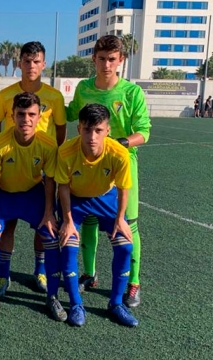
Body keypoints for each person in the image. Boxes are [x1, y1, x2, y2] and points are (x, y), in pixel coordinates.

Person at [66, 35, 151, 308]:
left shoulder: (131, 92)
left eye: (112, 59)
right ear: (94, 59)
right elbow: (69, 114)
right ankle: (90, 274)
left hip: (123, 164)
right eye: (101, 59)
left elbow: (144, 133)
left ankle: (134, 282)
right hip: (89, 164)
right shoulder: (83, 89)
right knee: (89, 220)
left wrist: (118, 144)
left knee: (128, 224)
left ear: (120, 60)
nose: (106, 65)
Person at [0, 41, 66, 295]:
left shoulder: (54, 96)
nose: (31, 66)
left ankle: (40, 270)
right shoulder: (5, 95)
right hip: (10, 169)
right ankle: (3, 274)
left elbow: (61, 132)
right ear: (20, 63)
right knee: (7, 226)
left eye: (36, 61)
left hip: (39, 171)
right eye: (27, 61)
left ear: (44, 64)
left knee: (44, 225)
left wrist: (51, 162)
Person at [54, 103, 138, 327]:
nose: (92, 136)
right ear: (79, 128)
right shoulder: (66, 152)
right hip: (75, 200)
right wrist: (68, 221)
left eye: (98, 130)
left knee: (125, 246)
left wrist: (120, 219)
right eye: (87, 129)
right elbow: (62, 186)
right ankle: (76, 304)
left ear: (107, 131)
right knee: (68, 246)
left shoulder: (120, 153)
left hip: (106, 198)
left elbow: (123, 188)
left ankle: (116, 303)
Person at [0, 92, 58, 318]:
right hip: (4, 195)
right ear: (12, 116)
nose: (26, 119)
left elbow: (51, 180)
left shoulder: (47, 143)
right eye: (21, 114)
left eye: (31, 114)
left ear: (39, 115)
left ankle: (49, 289)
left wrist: (49, 212)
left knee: (50, 235)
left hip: (33, 194)